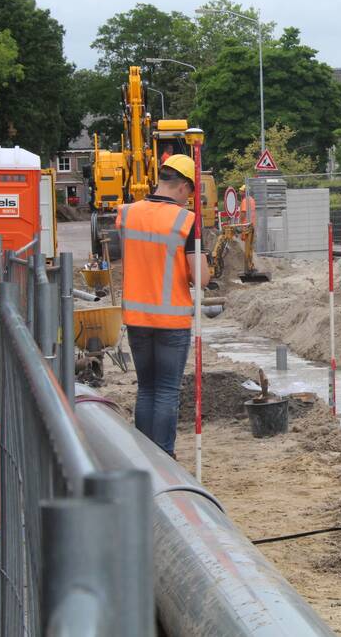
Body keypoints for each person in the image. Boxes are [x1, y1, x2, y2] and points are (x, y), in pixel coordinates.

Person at [116, 154, 208, 457]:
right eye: (190, 194)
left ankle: (145, 458)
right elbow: (201, 278)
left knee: (146, 389)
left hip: (137, 317)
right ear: (183, 186)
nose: (188, 200)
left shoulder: (127, 214)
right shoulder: (186, 220)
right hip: (171, 320)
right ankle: (164, 459)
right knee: (167, 390)